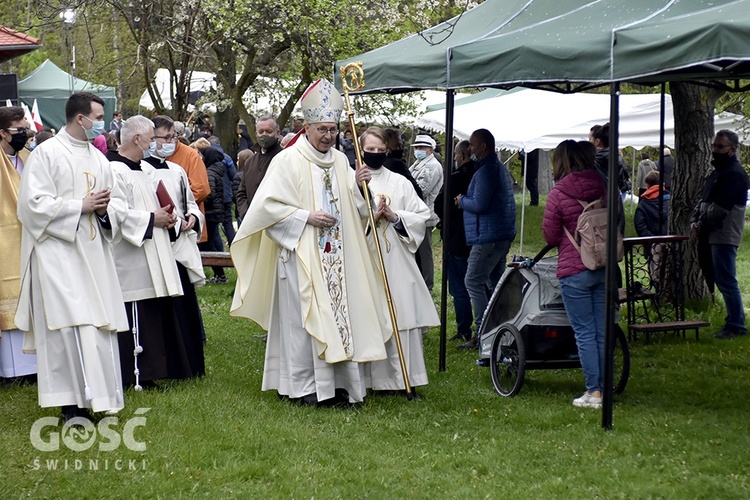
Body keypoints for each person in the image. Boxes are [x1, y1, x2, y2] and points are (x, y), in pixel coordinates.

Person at [230, 78, 391, 406]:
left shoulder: (342, 161)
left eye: (333, 130)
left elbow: (360, 211)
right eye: (322, 129)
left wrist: (361, 187)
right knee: (305, 325)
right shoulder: (287, 161)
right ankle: (304, 388)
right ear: (306, 127)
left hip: (338, 258)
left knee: (340, 318)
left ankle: (340, 385)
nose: (328, 136)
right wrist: (305, 217)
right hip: (301, 254)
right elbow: (267, 210)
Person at [15, 92, 130, 420]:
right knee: (69, 328)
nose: (102, 123)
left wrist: (106, 211)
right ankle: (72, 406)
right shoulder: (46, 154)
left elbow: (117, 204)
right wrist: (80, 206)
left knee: (97, 328)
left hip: (94, 255)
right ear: (80, 119)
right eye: (97, 116)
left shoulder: (99, 159)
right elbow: (31, 206)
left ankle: (102, 398)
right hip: (58, 254)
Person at [108, 116, 204, 387]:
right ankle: (136, 374)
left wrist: (169, 217)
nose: (154, 144)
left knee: (153, 316)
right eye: (152, 138)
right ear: (136, 138)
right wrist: (152, 219)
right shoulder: (114, 170)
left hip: (154, 252)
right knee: (137, 317)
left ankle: (151, 371)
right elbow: (116, 213)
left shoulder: (145, 170)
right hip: (131, 259)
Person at [358, 127, 439, 392]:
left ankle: (405, 379)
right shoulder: (352, 181)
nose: (376, 155)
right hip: (365, 259)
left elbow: (422, 214)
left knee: (401, 315)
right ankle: (368, 380)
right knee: (369, 315)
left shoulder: (400, 182)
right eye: (370, 150)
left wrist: (394, 217)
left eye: (381, 151)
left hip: (397, 262)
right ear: (361, 150)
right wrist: (370, 216)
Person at [542, 140, 607, 409]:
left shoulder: (559, 193)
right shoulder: (604, 185)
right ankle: (604, 386)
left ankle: (594, 392)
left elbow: (551, 235)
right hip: (603, 263)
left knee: (584, 331)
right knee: (602, 330)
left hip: (574, 266)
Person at [143, 114, 207, 374]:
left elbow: (190, 201)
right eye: (165, 138)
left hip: (180, 242)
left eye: (174, 137)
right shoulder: (141, 170)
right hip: (158, 243)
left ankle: (189, 363)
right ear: (150, 139)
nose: (171, 142)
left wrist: (193, 216)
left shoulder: (177, 170)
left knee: (184, 305)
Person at [455, 129, 516, 350]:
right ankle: (502, 330)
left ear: (483, 146)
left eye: (472, 145)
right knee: (497, 284)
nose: (468, 149)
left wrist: (462, 200)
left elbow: (479, 204)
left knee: (473, 281)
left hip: (488, 236)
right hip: (499, 233)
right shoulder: (494, 168)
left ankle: (483, 334)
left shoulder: (487, 171)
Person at [690, 130, 749, 340]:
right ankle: (733, 320)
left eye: (720, 147)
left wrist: (701, 224)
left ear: (732, 150)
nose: (715, 150)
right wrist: (695, 220)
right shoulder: (718, 172)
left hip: (723, 233)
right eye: (714, 145)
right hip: (712, 232)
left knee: (726, 280)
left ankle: (736, 324)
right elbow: (704, 201)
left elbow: (721, 208)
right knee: (719, 277)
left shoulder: (735, 174)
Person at [0, 106, 36, 381]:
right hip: (5, 239)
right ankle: (10, 369)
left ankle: (32, 365)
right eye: (18, 130)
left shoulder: (28, 157)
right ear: (2, 133)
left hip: (30, 235)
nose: (24, 133)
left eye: (25, 128)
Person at [434, 140, 475, 342]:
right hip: (478, 236)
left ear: (460, 155)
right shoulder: (481, 174)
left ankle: (464, 330)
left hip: (458, 237)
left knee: (459, 287)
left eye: (456, 154)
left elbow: (439, 204)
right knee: (479, 284)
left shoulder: (457, 177)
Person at [409, 134, 443, 291]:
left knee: (425, 253)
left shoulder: (432, 166)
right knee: (417, 252)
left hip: (425, 214)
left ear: (430, 149)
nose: (418, 150)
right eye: (416, 147)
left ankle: (427, 284)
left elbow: (421, 190)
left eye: (421, 147)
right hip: (416, 214)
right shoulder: (419, 163)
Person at [167, 128, 210, 244]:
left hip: (186, 220)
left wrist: (178, 206)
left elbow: (201, 189)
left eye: (171, 137)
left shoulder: (191, 155)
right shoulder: (150, 153)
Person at [236, 115, 283, 219]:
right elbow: (241, 193)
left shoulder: (286, 158)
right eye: (261, 132)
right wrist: (246, 214)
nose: (264, 135)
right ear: (256, 134)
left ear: (278, 134)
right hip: (251, 220)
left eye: (268, 131)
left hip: (276, 221)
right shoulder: (250, 162)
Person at [199, 146, 228, 283]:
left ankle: (220, 274)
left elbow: (209, 194)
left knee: (208, 244)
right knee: (211, 242)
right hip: (216, 212)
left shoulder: (210, 172)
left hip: (210, 212)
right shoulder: (218, 170)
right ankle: (219, 273)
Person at [208, 136, 237, 247]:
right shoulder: (227, 158)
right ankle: (234, 246)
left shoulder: (207, 157)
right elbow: (233, 176)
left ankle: (215, 250)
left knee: (215, 228)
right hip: (226, 195)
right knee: (228, 223)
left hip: (214, 196)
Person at [383, 127, 423, 200]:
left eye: (401, 145)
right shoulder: (397, 164)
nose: (401, 148)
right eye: (398, 146)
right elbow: (415, 190)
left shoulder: (378, 163)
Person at [635, 171, 669, 238]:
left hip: (650, 244)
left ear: (647, 186)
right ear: (663, 185)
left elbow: (640, 226)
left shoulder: (642, 205)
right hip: (670, 242)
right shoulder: (670, 202)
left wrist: (653, 242)